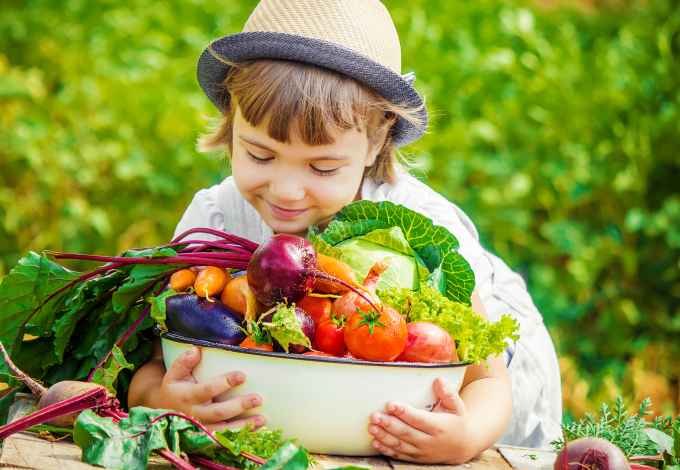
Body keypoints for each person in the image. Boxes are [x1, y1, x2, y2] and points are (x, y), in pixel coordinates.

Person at [128, 0, 562, 462]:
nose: (287, 190)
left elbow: (489, 383)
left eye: (322, 166)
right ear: (233, 124)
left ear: (376, 141)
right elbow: (153, 365)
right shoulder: (213, 223)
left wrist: (467, 435)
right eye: (259, 155)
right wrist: (157, 400)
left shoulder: (417, 227)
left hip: (484, 402)